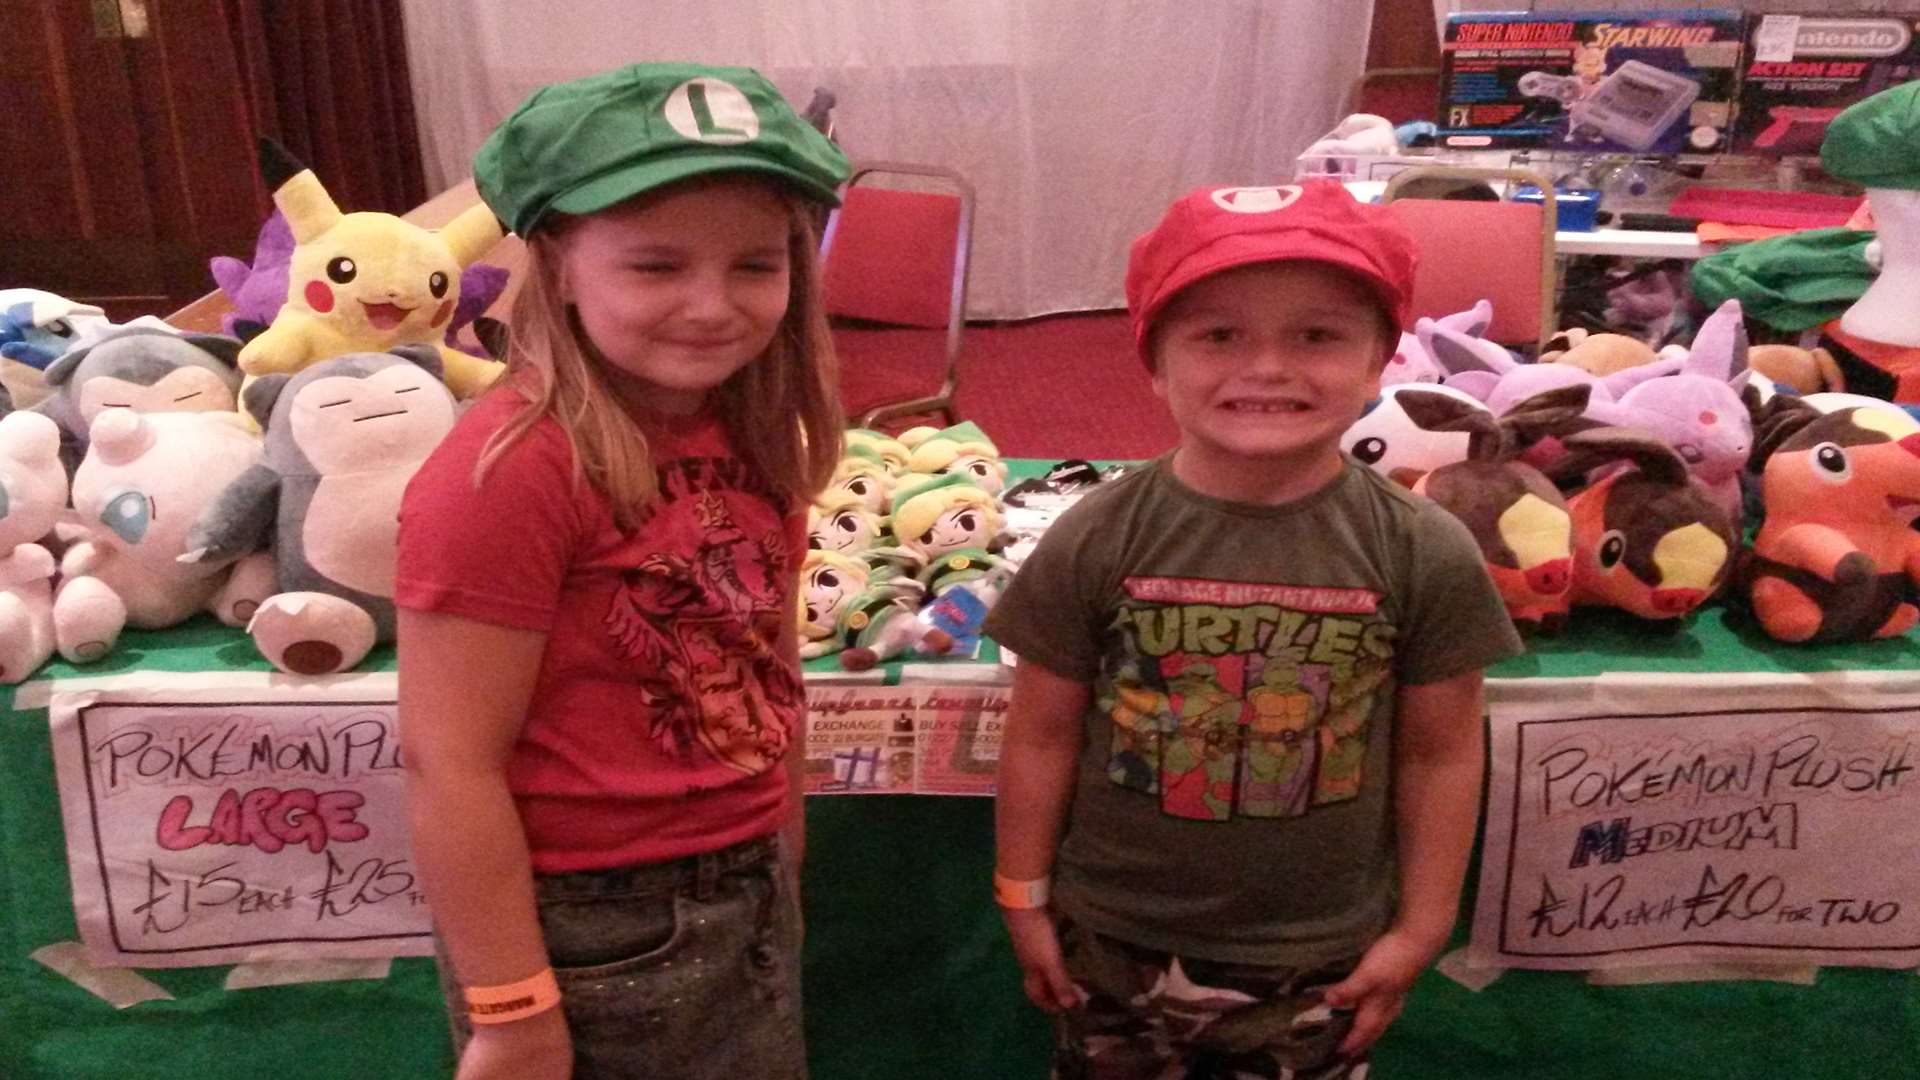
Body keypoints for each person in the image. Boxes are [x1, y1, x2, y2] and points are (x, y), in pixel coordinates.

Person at [985, 181, 1525, 1079]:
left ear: (1378, 361)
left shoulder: (1420, 547)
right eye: (1219, 334)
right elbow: (1040, 732)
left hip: (1316, 953)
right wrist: (1021, 898)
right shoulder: (1097, 533)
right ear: (1155, 362)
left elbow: (1441, 753)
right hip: (1109, 937)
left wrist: (1423, 928)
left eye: (1316, 335)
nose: (1268, 366)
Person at [394, 62, 848, 1080]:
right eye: (655, 266)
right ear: (556, 264)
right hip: (592, 924)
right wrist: (510, 1009)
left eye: (756, 265)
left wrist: (784, 857)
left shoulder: (756, 429)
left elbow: (771, 667)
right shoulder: (510, 471)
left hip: (745, 879)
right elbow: (448, 762)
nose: (711, 305)